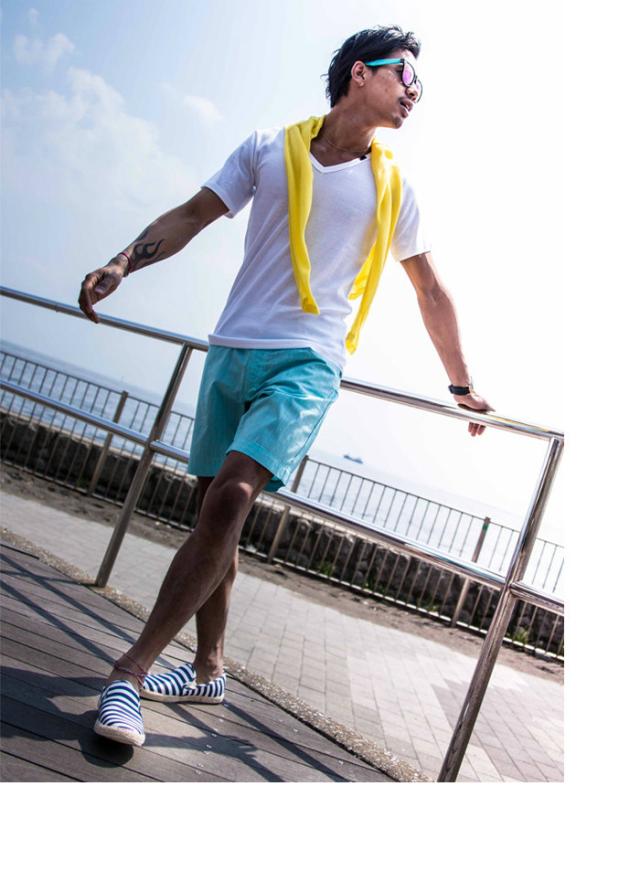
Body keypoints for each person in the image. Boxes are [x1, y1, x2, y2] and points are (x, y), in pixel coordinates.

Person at [79, 25, 494, 748]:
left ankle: (129, 670)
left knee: (231, 496)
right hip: (232, 350)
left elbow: (429, 290)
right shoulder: (267, 148)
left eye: (419, 84)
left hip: (307, 363)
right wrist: (123, 262)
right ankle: (208, 668)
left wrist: (461, 384)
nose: (415, 92)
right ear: (361, 73)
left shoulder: (394, 186)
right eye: (405, 76)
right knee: (214, 513)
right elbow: (193, 214)